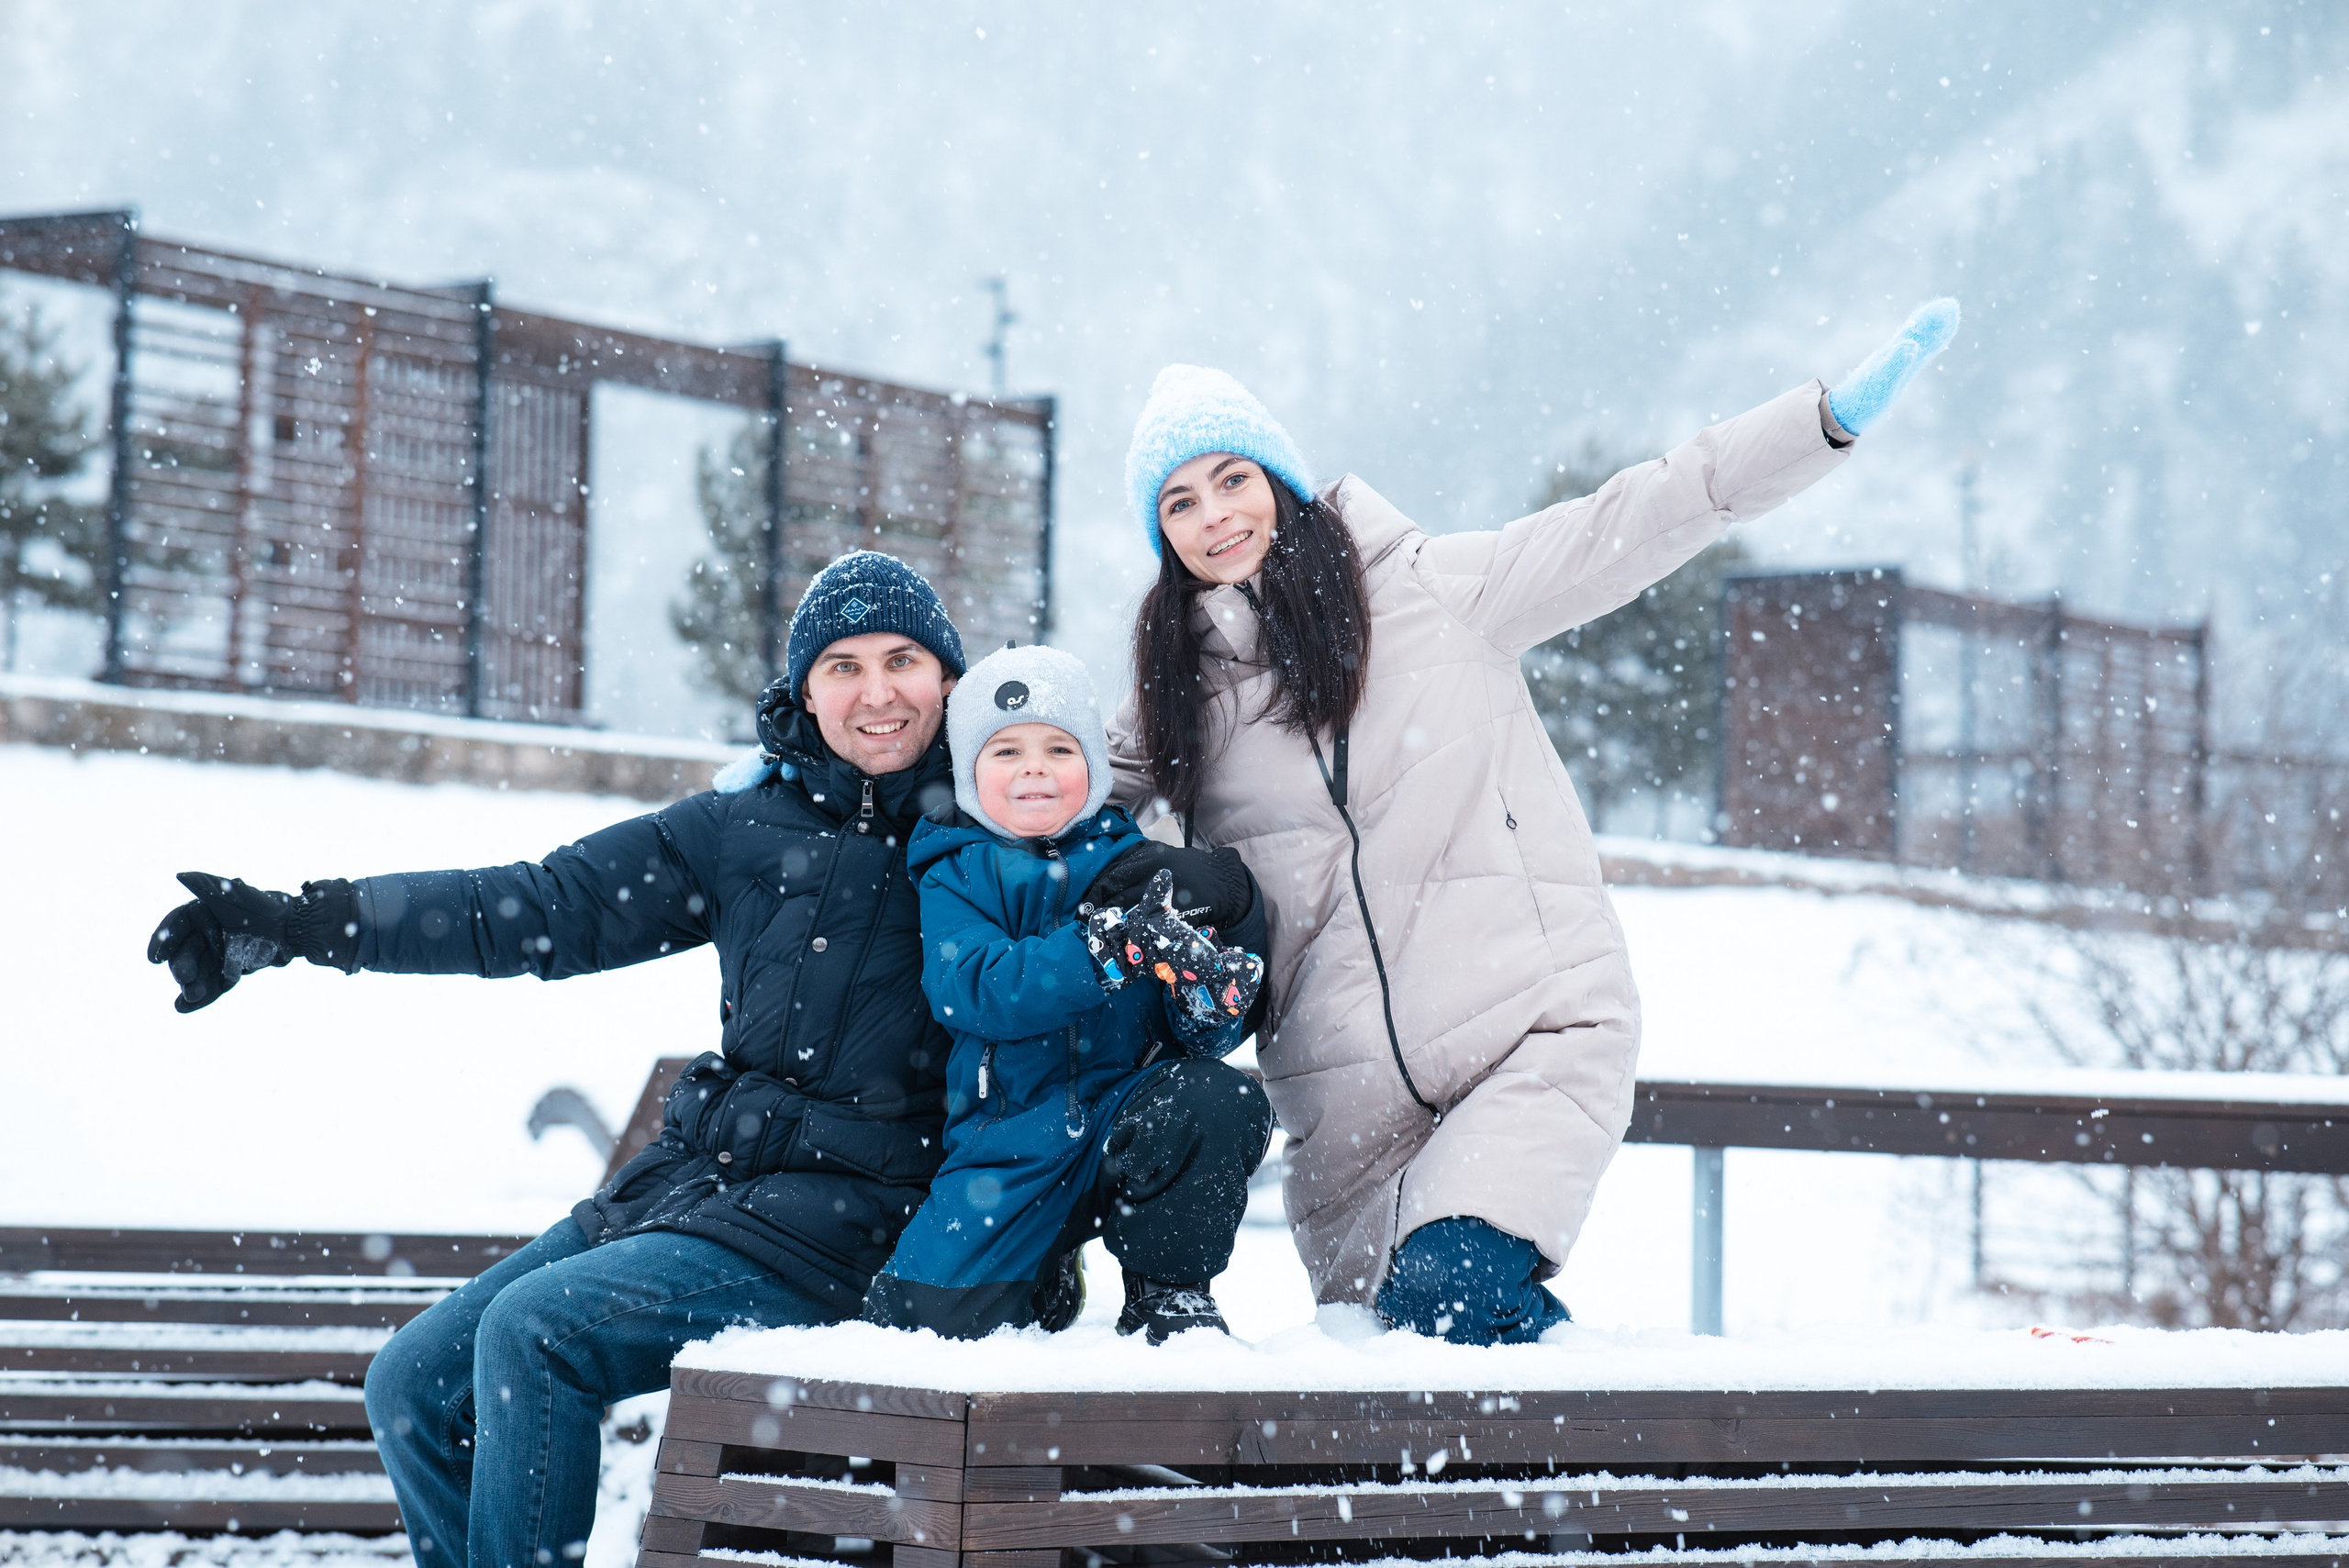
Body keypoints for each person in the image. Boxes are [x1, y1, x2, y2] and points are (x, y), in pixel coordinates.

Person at [1108, 300, 1963, 1344]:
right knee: (1392, 1424)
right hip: (1346, 1119)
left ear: (1280, 481)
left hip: (1529, 1034)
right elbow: (1034, 787)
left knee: (1451, 1295)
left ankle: (1628, 1490)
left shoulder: (1433, 591)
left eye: (1231, 479)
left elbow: (1634, 517)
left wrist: (1817, 424)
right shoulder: (1174, 700)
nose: (1215, 516)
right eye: (1180, 501)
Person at [143, 550, 973, 1568]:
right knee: (412, 1384)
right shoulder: (744, 827)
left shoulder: (996, 834)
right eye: (842, 664)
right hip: (698, 1192)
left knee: (535, 1336)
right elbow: (536, 903)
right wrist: (302, 921)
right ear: (803, 688)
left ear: (947, 676)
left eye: (903, 659)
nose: (877, 690)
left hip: (851, 1229)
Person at [862, 643, 1274, 1343]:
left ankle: (1167, 1288)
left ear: (1095, 766)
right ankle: (1044, 1268)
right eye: (1005, 752)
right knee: (913, 1324)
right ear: (968, 772)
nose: (1034, 770)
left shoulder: (1137, 864)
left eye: (1059, 748)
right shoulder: (953, 872)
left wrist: (1211, 985)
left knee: (1211, 1097)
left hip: (1124, 1118)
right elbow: (976, 988)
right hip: (1009, 1144)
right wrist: (1101, 950)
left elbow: (1202, 1036)